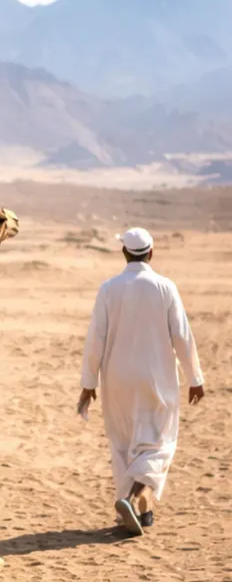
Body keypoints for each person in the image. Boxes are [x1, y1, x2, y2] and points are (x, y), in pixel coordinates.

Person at [77, 227, 205, 536]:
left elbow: (96, 338)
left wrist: (88, 383)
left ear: (124, 253)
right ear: (150, 253)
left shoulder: (109, 288)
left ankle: (137, 514)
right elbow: (182, 336)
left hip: (116, 378)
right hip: (156, 378)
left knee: (123, 444)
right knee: (159, 442)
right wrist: (195, 378)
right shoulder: (165, 287)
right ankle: (135, 498)